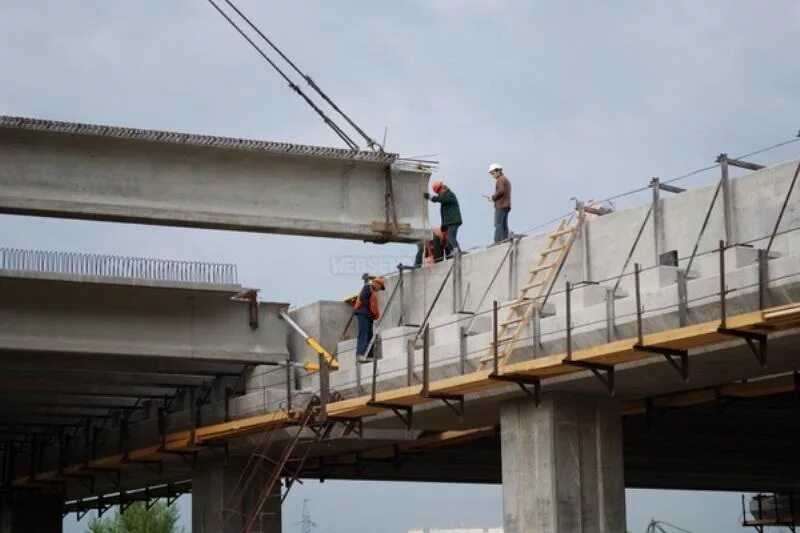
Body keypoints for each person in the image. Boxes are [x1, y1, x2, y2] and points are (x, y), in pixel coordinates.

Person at [424, 181, 462, 253]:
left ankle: (457, 253)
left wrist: (430, 197)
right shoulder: (446, 195)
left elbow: (441, 199)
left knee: (451, 237)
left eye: (438, 192)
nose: (439, 194)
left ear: (441, 189)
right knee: (449, 238)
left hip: (453, 221)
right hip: (450, 222)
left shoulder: (449, 195)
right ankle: (454, 252)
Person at [353, 276, 385, 362]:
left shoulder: (373, 293)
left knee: (370, 335)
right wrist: (370, 308)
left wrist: (373, 314)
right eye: (380, 286)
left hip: (368, 316)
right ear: (376, 283)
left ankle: (369, 355)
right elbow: (363, 298)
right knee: (364, 334)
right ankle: (361, 353)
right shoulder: (367, 288)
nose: (379, 289)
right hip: (363, 314)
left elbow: (372, 305)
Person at [488, 163, 511, 243]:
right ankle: (505, 240)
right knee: (504, 224)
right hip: (506, 205)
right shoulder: (505, 179)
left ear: (498, 171)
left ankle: (498, 241)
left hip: (501, 205)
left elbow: (501, 191)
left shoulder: (500, 179)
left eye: (493, 173)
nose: (492, 175)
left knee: (498, 224)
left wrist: (493, 197)